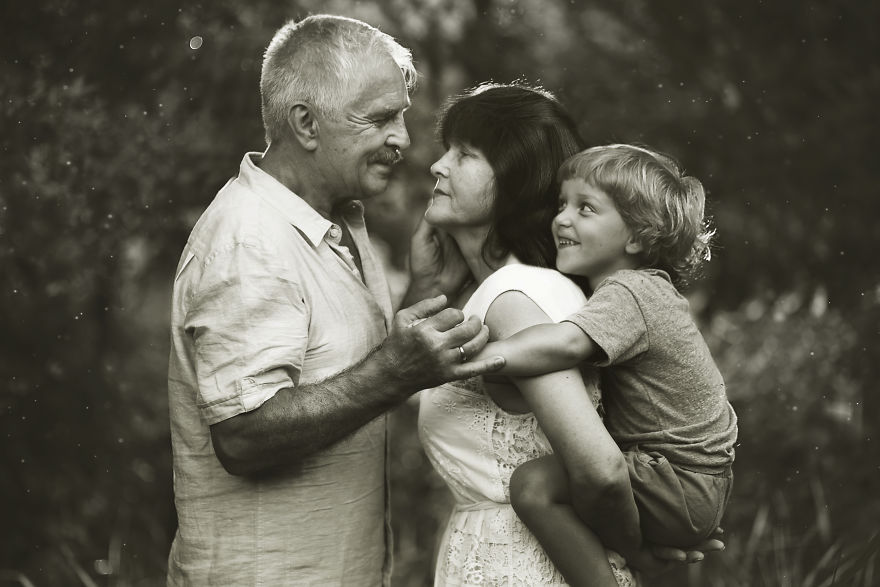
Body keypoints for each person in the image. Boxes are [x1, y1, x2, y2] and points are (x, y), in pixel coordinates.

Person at [165, 15, 505, 586]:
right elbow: (243, 435)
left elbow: (337, 374)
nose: (403, 139)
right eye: (380, 119)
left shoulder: (334, 217)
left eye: (400, 115)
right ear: (306, 123)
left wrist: (424, 293)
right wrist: (395, 372)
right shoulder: (251, 239)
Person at [474, 144, 738, 581]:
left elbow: (563, 344)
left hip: (678, 479)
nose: (562, 219)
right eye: (562, 203)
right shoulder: (641, 291)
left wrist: (462, 361)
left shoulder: (631, 292)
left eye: (586, 208)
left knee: (534, 487)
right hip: (693, 485)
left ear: (636, 237)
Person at [415, 82, 645, 586]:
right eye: (446, 150)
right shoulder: (504, 292)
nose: (438, 166)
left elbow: (601, 470)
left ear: (515, 179)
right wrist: (430, 288)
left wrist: (646, 557)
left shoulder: (516, 295)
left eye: (465, 154)